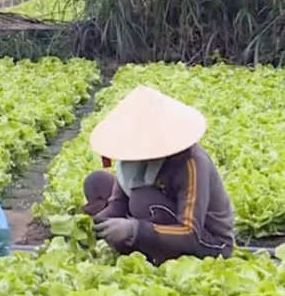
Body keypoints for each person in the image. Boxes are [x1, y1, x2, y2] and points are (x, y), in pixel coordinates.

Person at [83, 85, 235, 264]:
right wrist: (92, 226)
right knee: (96, 182)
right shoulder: (131, 158)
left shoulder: (191, 162)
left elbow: (190, 231)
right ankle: (138, 239)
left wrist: (134, 230)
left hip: (207, 242)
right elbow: (118, 204)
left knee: (141, 199)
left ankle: (146, 248)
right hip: (161, 214)